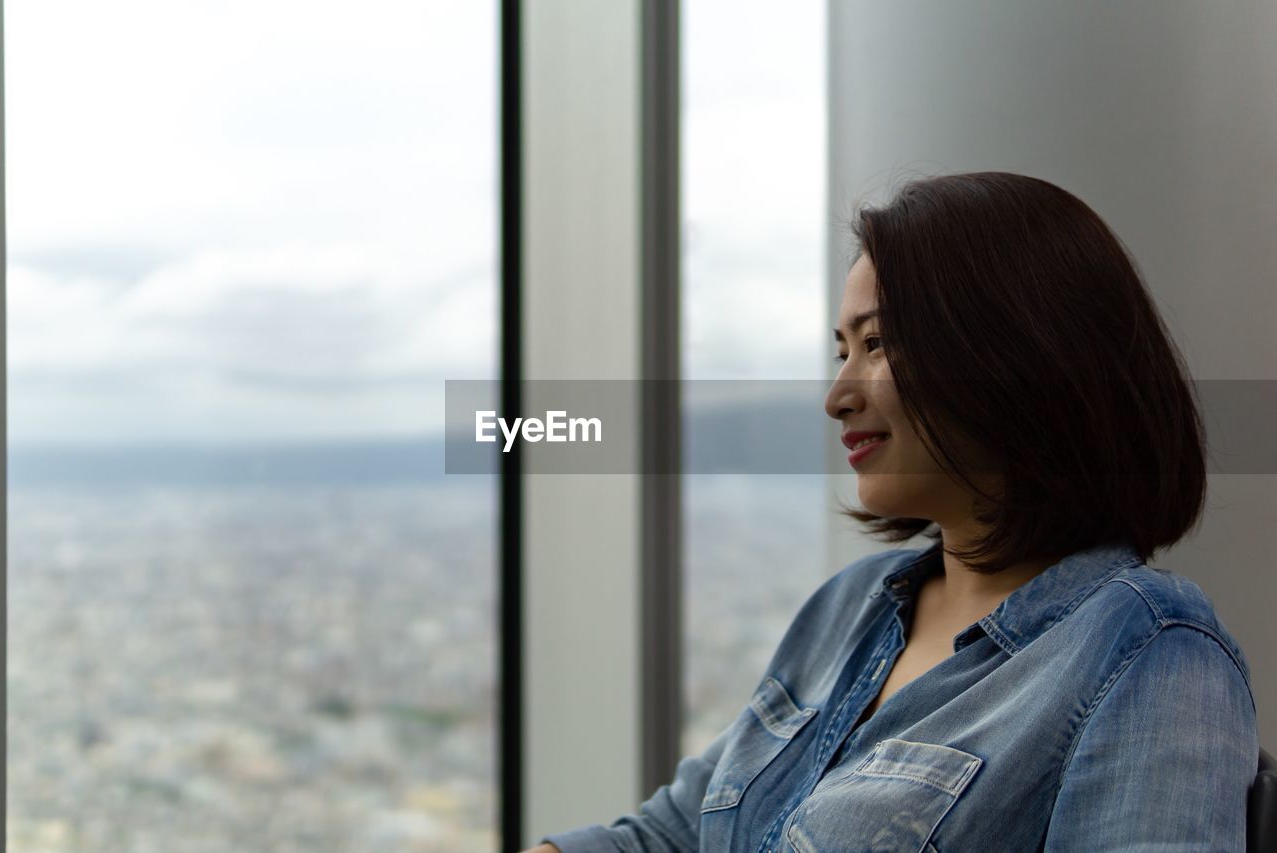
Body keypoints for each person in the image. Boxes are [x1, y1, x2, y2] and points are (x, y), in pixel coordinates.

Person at [526, 172, 1259, 851]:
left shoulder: (1147, 648)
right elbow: (674, 833)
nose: (836, 395)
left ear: (1017, 353)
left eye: (875, 344)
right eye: (842, 349)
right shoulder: (852, 606)